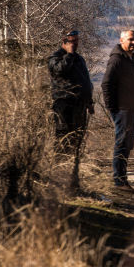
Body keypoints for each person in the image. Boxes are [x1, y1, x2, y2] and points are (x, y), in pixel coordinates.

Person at [47, 30, 94, 190]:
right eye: (71, 41)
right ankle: (59, 179)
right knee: (63, 141)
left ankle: (73, 181)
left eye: (76, 41)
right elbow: (59, 70)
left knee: (76, 143)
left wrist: (89, 101)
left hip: (80, 106)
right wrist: (68, 55)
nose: (74, 44)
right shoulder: (56, 57)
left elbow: (85, 80)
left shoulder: (79, 59)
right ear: (64, 41)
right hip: (64, 106)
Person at [101, 30, 134, 192]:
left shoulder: (129, 58)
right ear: (121, 40)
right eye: (130, 39)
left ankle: (123, 180)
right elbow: (106, 84)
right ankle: (118, 181)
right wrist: (113, 109)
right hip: (122, 110)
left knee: (127, 145)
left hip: (131, 109)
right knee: (121, 144)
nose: (133, 42)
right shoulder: (117, 59)